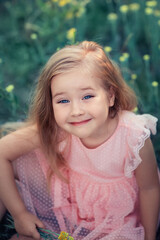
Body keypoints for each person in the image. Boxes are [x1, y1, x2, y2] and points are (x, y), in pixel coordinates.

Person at [0, 41, 159, 240]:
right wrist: (20, 214)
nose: (76, 111)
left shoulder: (133, 136)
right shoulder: (56, 128)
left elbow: (149, 188)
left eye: (87, 96)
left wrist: (149, 237)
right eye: (63, 101)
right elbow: (2, 152)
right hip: (67, 201)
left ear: (110, 95)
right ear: (51, 103)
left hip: (115, 220)